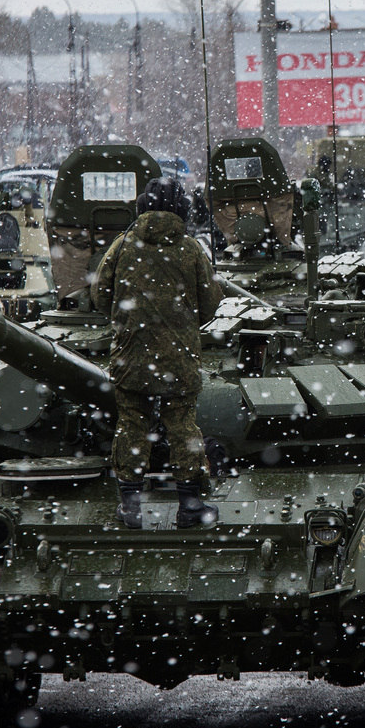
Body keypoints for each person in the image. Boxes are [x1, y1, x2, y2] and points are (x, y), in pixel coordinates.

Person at [92, 177, 224, 529]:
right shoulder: (191, 249)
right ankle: (189, 506)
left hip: (131, 355)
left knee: (132, 424)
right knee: (182, 427)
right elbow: (211, 303)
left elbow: (100, 295)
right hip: (179, 358)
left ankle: (130, 507)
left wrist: (129, 318)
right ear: (182, 208)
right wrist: (181, 321)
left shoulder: (122, 246)